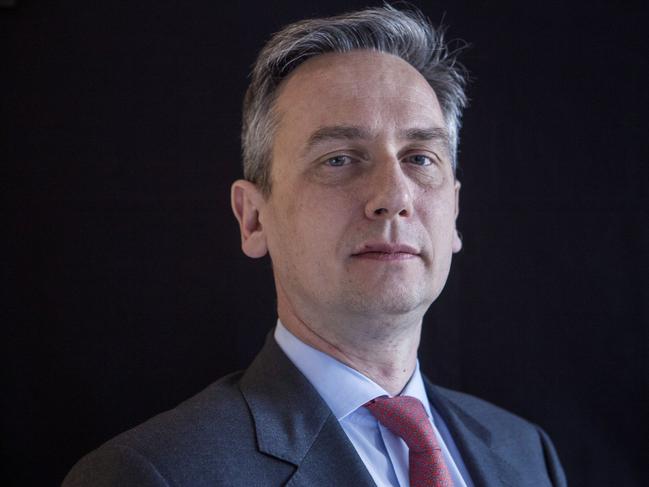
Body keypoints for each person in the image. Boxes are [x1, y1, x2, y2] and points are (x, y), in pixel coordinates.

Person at [63, 5, 567, 487]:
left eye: (419, 158)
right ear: (254, 218)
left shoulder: (524, 452)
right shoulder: (152, 474)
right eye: (340, 159)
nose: (393, 197)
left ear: (454, 211)